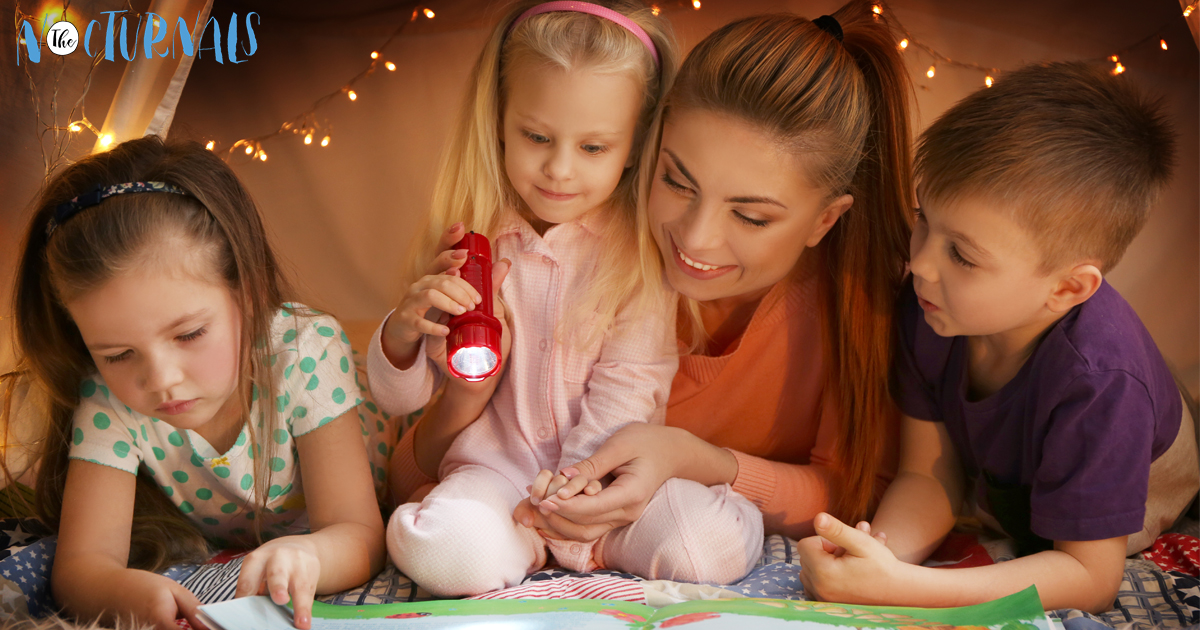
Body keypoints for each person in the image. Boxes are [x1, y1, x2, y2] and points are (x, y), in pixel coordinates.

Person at [394, 0, 915, 562]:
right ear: (645, 150)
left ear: (824, 220)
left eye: (751, 216)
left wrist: (696, 459)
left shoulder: (851, 311)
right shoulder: (571, 262)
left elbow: (856, 490)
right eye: (677, 181)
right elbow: (406, 483)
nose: (695, 238)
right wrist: (466, 400)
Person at [368, 0, 764, 597]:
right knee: (445, 545)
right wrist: (399, 338)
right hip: (494, 476)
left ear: (636, 145)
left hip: (606, 485)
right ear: (500, 120)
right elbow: (405, 398)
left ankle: (572, 545)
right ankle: (521, 543)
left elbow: (629, 389)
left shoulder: (639, 252)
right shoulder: (473, 240)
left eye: (593, 148)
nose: (558, 169)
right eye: (536, 136)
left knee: (710, 541)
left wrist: (572, 499)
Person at [797, 61, 1198, 613]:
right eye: (923, 219)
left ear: (1066, 289)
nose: (919, 264)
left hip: (1144, 476)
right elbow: (927, 474)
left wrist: (908, 589)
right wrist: (877, 559)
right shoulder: (930, 309)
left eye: (963, 255)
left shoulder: (1104, 382)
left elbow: (1090, 577)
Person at [6, 136, 387, 630]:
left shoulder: (303, 351)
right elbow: (82, 567)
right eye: (118, 354)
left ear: (247, 293)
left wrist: (310, 553)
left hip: (394, 444)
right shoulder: (106, 396)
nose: (161, 380)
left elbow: (359, 531)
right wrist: (129, 591)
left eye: (189, 334)